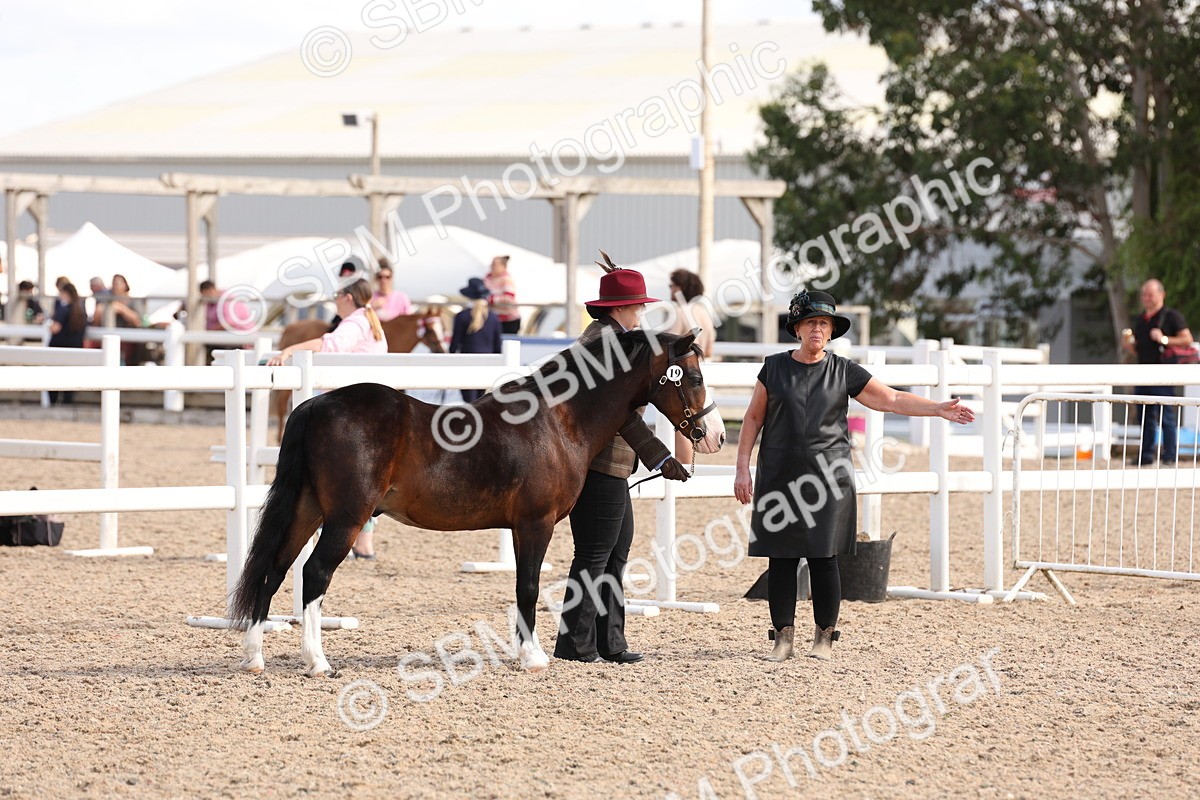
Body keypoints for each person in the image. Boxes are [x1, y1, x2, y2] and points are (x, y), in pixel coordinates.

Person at [733, 289, 975, 662]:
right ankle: (782, 640)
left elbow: (891, 399)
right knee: (780, 558)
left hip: (829, 479)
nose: (818, 329)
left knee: (823, 558)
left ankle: (824, 639)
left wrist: (938, 408)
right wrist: (741, 469)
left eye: (825, 323)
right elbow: (753, 418)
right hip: (779, 473)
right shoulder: (773, 368)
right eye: (811, 321)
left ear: (831, 332)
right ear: (797, 328)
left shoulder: (844, 370)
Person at [552, 264, 692, 665]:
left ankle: (609, 641)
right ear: (623, 307)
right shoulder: (605, 345)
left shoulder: (609, 339)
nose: (642, 313)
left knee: (614, 550)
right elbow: (623, 415)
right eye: (639, 306)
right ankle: (575, 644)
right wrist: (660, 456)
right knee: (596, 553)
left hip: (609, 463)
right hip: (600, 461)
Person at [267, 279, 387, 559]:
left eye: (337, 297)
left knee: (332, 472)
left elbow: (330, 344)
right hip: (369, 405)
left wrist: (290, 350)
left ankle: (332, 533)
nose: (335, 302)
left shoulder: (356, 323)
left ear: (348, 298)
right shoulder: (371, 321)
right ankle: (363, 541)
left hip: (350, 408)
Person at [1122, 279, 1194, 465]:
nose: (1146, 298)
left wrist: (1164, 339)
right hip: (1144, 373)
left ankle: (1170, 455)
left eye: (1150, 294)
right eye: (1144, 294)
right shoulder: (1141, 319)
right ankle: (1146, 455)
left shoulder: (1171, 316)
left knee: (1166, 416)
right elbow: (1139, 349)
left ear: (1161, 295)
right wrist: (1129, 346)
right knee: (1144, 415)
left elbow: (1187, 339)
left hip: (1164, 373)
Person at [666, 268, 717, 462]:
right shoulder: (703, 312)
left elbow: (669, 345)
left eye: (672, 285)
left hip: (683, 378)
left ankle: (684, 472)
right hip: (701, 376)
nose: (670, 289)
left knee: (681, 429)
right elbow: (710, 349)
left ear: (680, 287)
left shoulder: (680, 312)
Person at [449, 277, 503, 402]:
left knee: (470, 402)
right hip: (487, 364)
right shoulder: (493, 318)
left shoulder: (462, 316)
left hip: (467, 364)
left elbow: (454, 345)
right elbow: (497, 346)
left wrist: (450, 361)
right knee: (481, 402)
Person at [48, 282, 88, 405]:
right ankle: (68, 401)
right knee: (71, 376)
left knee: (54, 377)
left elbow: (55, 328)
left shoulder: (64, 309)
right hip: (75, 347)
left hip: (58, 347)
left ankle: (53, 401)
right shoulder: (81, 310)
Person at [484, 255, 521, 334]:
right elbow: (482, 295)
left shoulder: (506, 279)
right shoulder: (487, 278)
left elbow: (508, 297)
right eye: (492, 264)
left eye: (496, 264)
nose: (493, 266)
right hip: (492, 317)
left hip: (508, 319)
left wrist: (492, 299)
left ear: (503, 266)